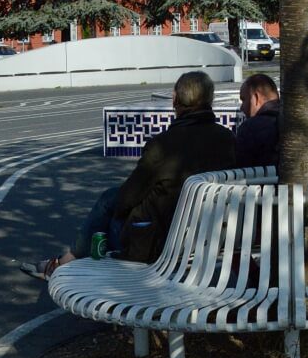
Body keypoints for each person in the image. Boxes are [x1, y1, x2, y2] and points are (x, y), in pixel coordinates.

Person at [21, 71, 235, 279]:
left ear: (174, 100)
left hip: (160, 244)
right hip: (213, 238)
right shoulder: (229, 140)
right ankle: (67, 260)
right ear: (210, 100)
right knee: (113, 199)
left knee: (109, 202)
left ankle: (65, 262)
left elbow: (126, 199)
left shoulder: (162, 146)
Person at [236, 73, 281, 169]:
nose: (242, 107)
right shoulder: (295, 122)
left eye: (244, 100)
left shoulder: (249, 129)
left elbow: (241, 171)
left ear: (255, 98)